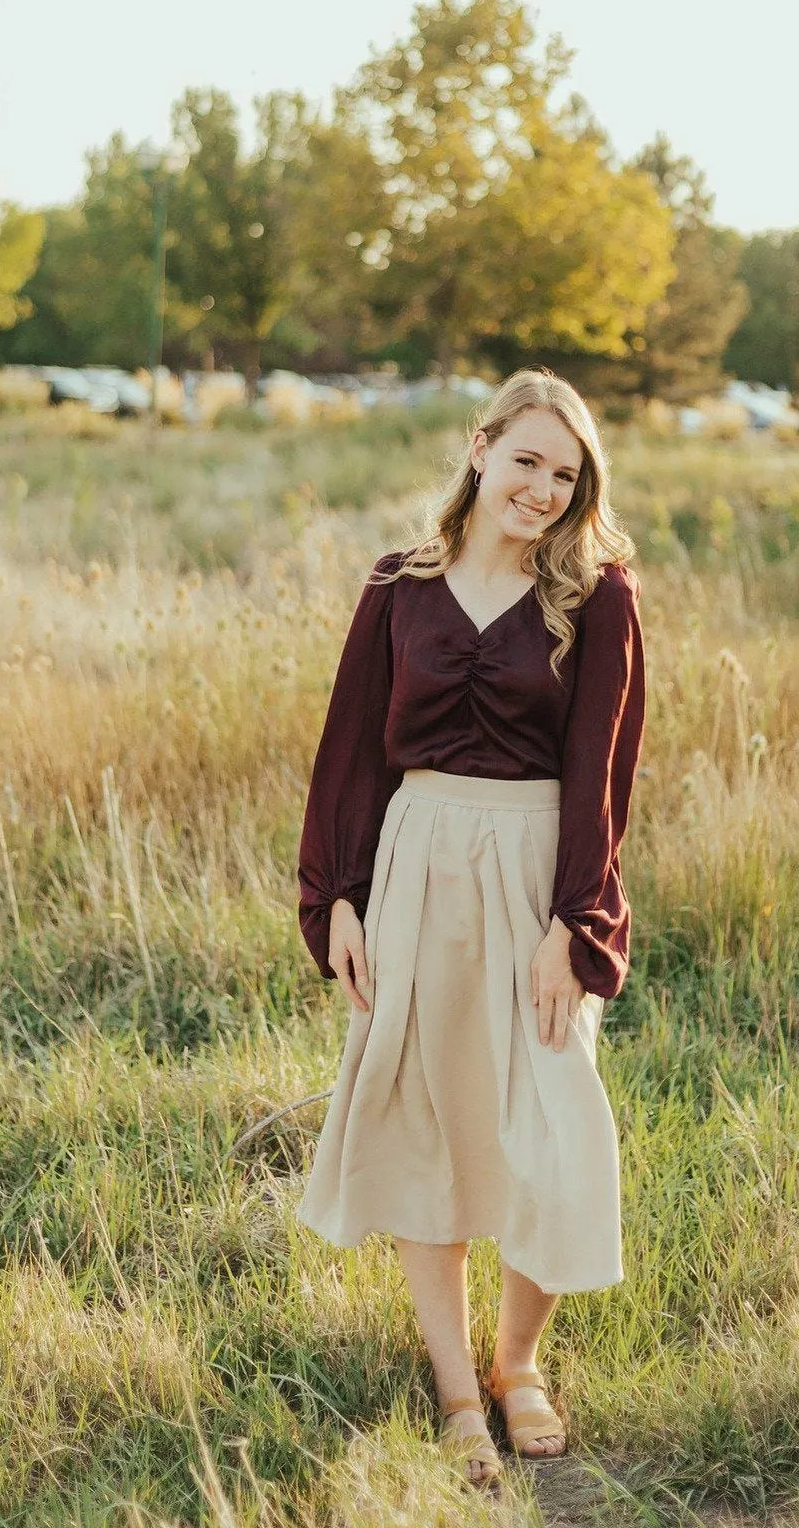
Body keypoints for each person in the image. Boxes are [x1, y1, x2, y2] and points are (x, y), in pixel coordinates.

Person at [295, 367, 646, 1492]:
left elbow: (602, 775)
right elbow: (350, 753)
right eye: (527, 459)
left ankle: (517, 1357)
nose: (542, 488)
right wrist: (336, 896)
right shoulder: (398, 587)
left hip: (535, 863)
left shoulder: (600, 598)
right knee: (426, 1122)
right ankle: (455, 1382)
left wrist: (576, 923)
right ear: (481, 446)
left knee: (552, 1115)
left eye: (566, 473)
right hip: (415, 869)